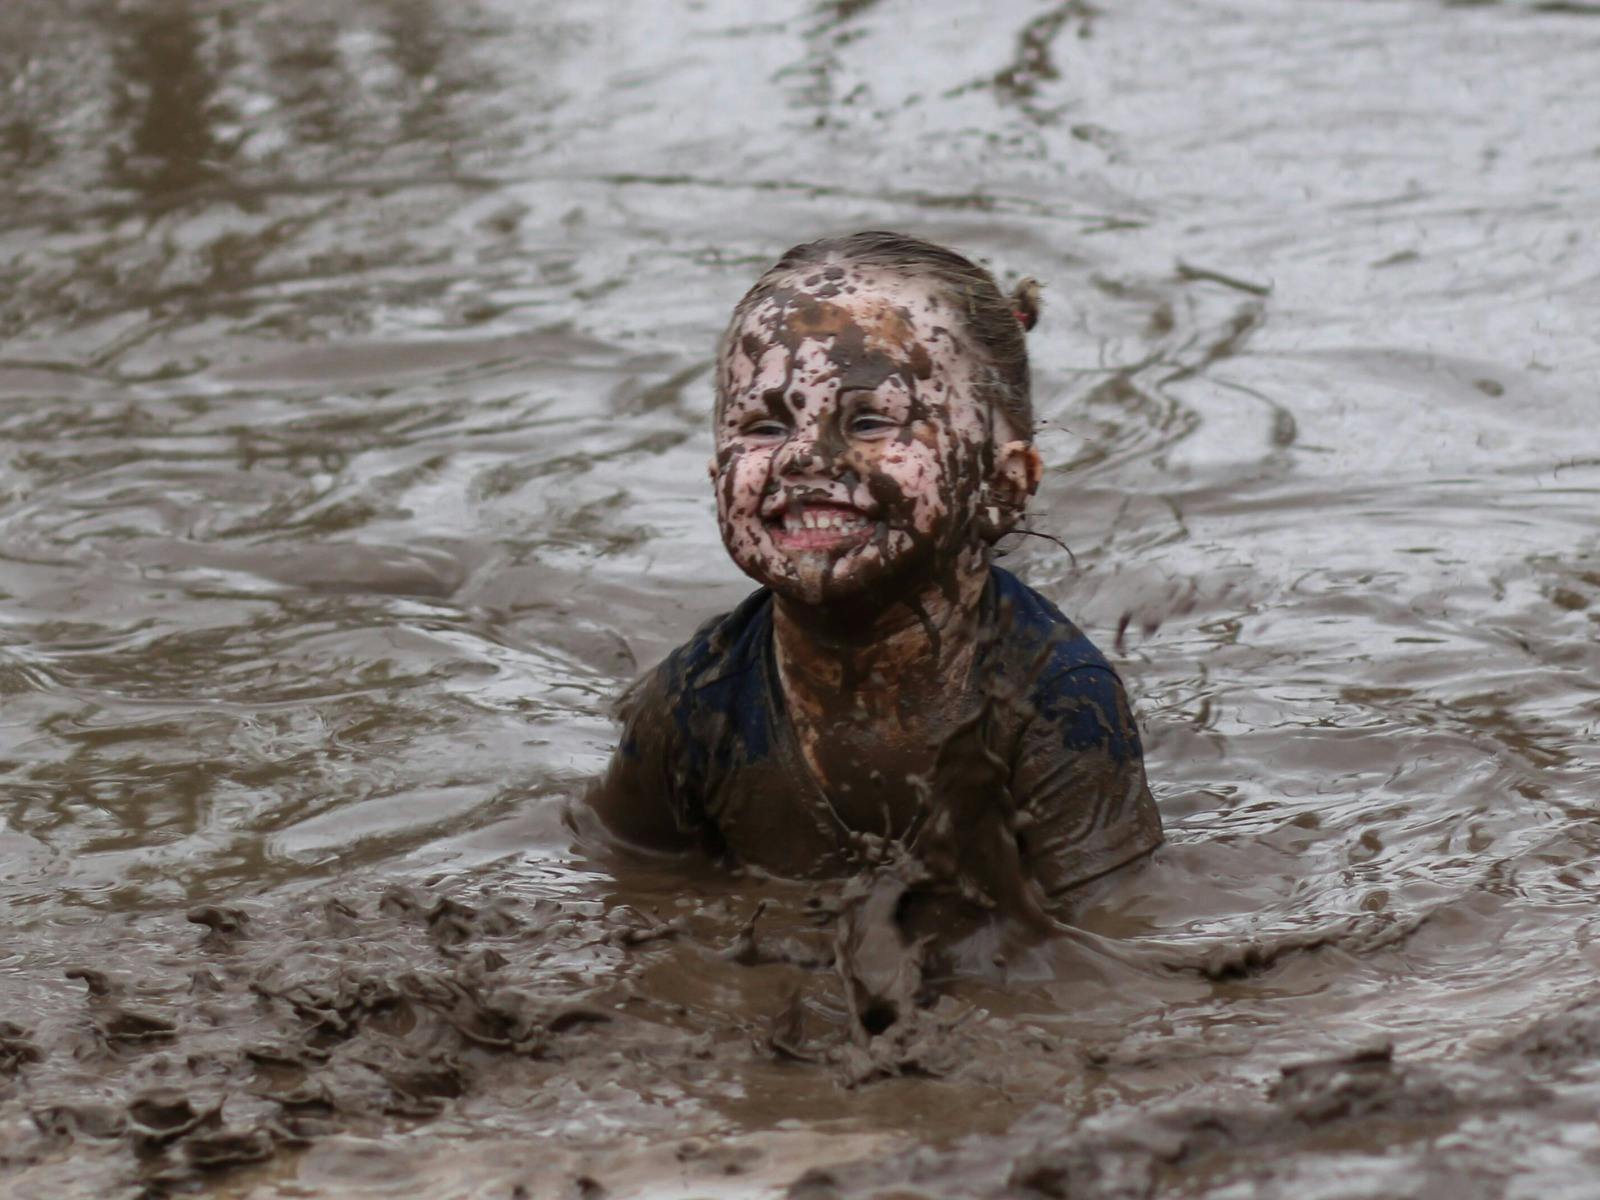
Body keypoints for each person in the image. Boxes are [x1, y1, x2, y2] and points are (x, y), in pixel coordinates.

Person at [589, 231, 1161, 919]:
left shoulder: (1061, 702)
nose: (804, 456)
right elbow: (624, 887)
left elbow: (1109, 935)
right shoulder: (691, 703)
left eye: (866, 421)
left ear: (1002, 486)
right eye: (765, 427)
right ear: (717, 477)